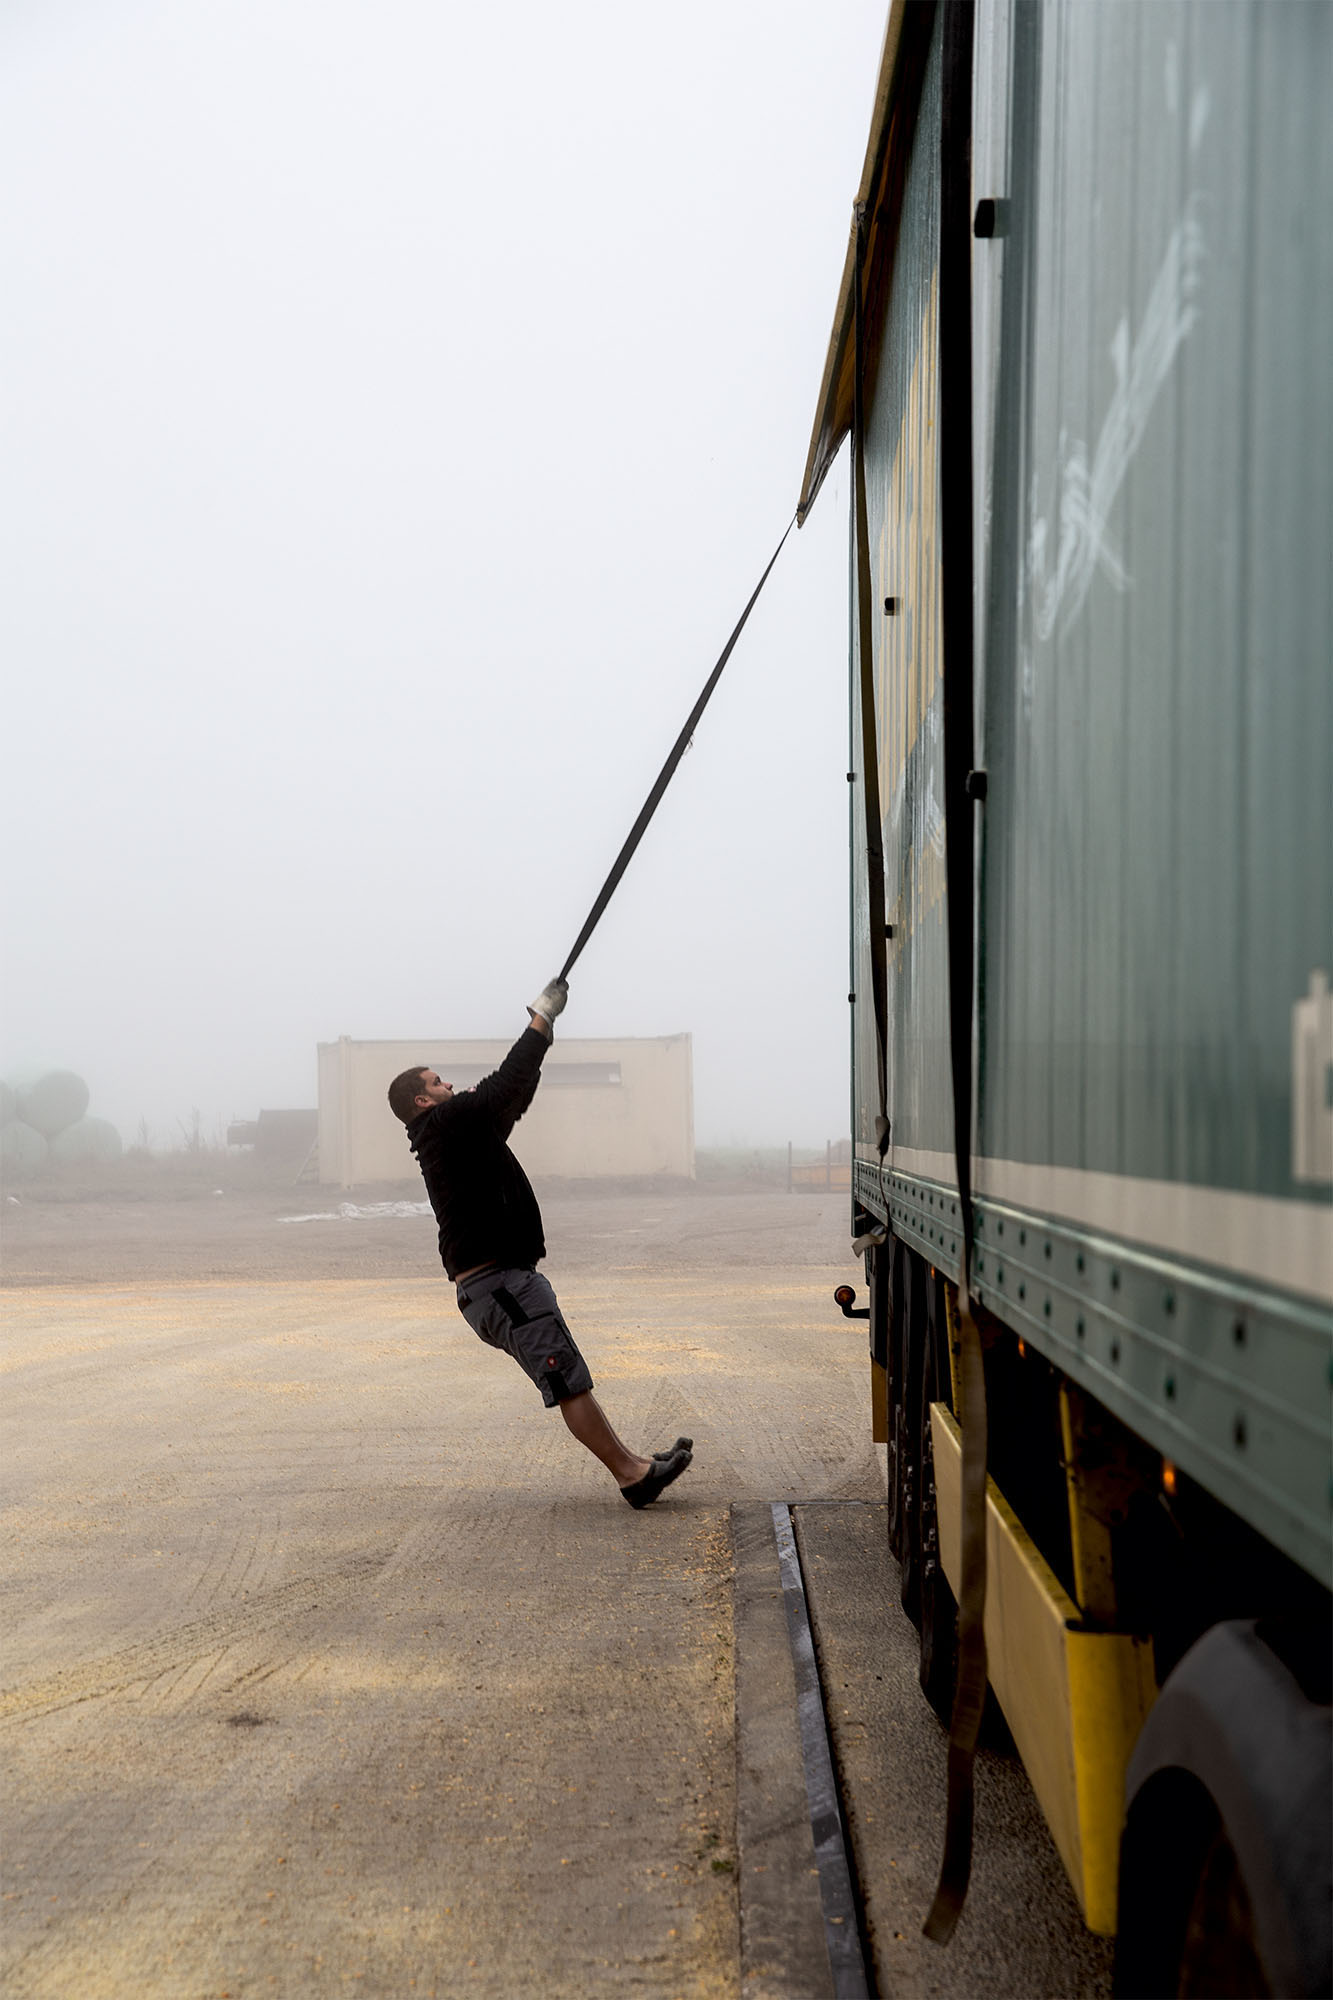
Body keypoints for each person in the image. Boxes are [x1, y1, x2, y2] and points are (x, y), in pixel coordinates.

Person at [387, 977, 693, 1508]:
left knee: (570, 1373)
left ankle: (636, 1465)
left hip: (502, 1282)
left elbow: (511, 1097)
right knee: (566, 1380)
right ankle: (631, 1476)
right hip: (499, 1284)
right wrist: (540, 1019)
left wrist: (543, 1034)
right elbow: (503, 1086)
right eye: (438, 1081)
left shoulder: (456, 1135)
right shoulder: (445, 1124)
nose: (449, 1084)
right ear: (422, 1099)